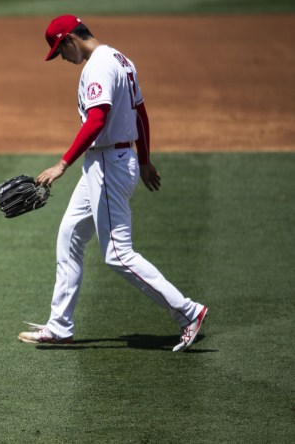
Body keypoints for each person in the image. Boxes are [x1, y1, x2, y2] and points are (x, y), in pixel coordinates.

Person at [18, 15, 208, 352]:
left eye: (59, 51)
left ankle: (187, 311)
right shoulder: (120, 58)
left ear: (69, 40)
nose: (62, 58)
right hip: (108, 162)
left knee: (118, 254)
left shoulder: (99, 67)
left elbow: (97, 119)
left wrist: (63, 164)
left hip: (108, 164)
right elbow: (140, 113)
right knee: (70, 235)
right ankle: (60, 326)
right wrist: (145, 160)